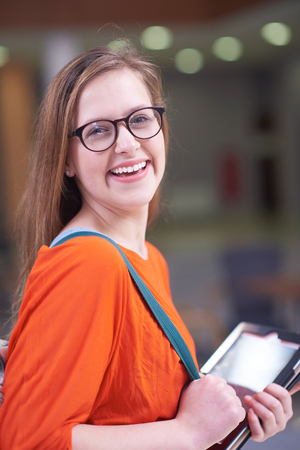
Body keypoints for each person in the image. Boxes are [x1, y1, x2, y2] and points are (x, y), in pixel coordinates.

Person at [0, 43, 298, 450]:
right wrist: (188, 432)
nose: (127, 143)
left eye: (140, 119)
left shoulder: (148, 259)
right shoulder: (89, 263)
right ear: (65, 160)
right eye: (98, 130)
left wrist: (224, 421)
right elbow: (28, 442)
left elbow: (133, 413)